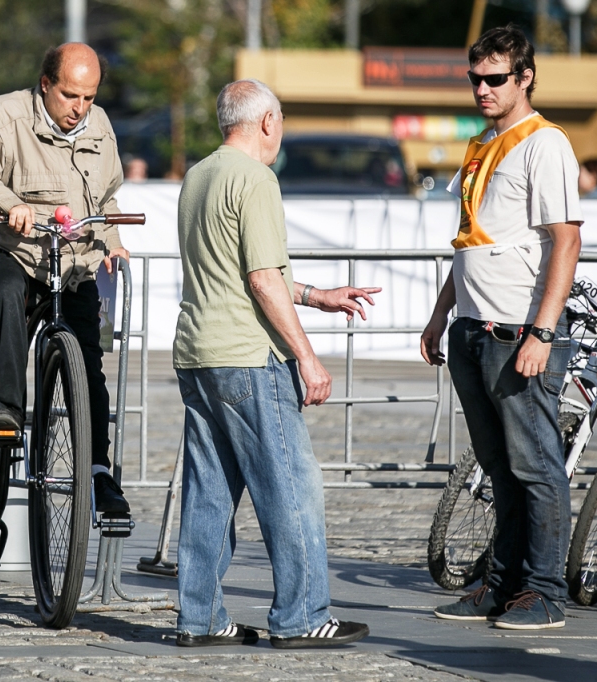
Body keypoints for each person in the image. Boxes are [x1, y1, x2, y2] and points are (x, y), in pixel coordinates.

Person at [172, 78, 377, 649]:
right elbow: (262, 280)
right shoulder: (256, 179)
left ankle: (200, 617)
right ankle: (302, 614)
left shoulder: (200, 175)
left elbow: (246, 272)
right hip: (248, 357)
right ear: (267, 122)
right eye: (281, 120)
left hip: (198, 352)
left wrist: (317, 295)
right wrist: (306, 358)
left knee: (209, 492)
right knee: (290, 488)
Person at [420, 25, 582, 630]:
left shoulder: (545, 144)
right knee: (500, 467)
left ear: (525, 78)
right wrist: (442, 312)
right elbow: (471, 239)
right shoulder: (483, 143)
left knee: (536, 464)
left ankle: (544, 592)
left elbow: (566, 241)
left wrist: (542, 332)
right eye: (475, 79)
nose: (482, 89)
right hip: (473, 325)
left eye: (495, 79)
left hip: (517, 330)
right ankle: (503, 582)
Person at [0, 43, 131, 515]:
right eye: (69, 96)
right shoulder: (0, 117)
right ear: (45, 84)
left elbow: (107, 197)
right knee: (5, 292)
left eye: (89, 97)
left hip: (71, 263)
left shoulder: (99, 126)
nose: (79, 108)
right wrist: (4, 201)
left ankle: (98, 471)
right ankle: (7, 410)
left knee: (88, 361)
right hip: (9, 252)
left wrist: (115, 236)